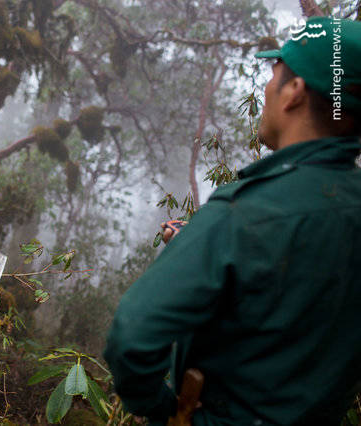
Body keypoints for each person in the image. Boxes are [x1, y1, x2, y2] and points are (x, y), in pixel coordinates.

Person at [104, 16, 361, 426]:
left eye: (274, 75)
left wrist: (165, 409)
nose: (265, 89)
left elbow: (131, 335)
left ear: (294, 92)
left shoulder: (243, 213)